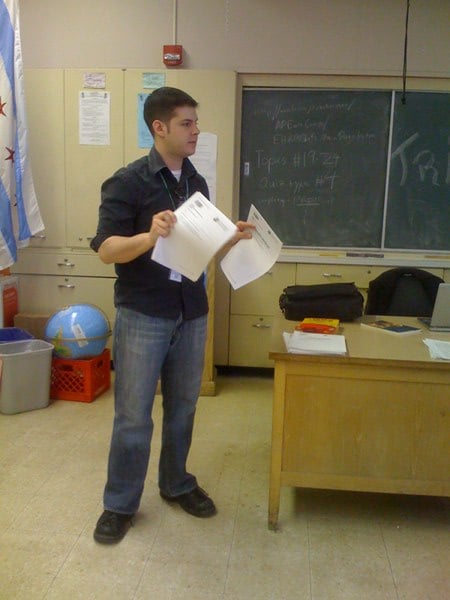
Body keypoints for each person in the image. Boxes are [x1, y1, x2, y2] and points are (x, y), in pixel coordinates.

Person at [90, 86, 253, 544]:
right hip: (144, 313)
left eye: (196, 122)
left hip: (192, 311)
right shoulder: (127, 182)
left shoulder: (194, 182)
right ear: (159, 127)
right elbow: (106, 251)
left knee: (183, 406)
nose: (196, 130)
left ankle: (176, 483)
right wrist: (148, 235)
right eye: (187, 123)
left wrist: (230, 236)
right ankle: (119, 504)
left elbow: (198, 243)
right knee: (133, 416)